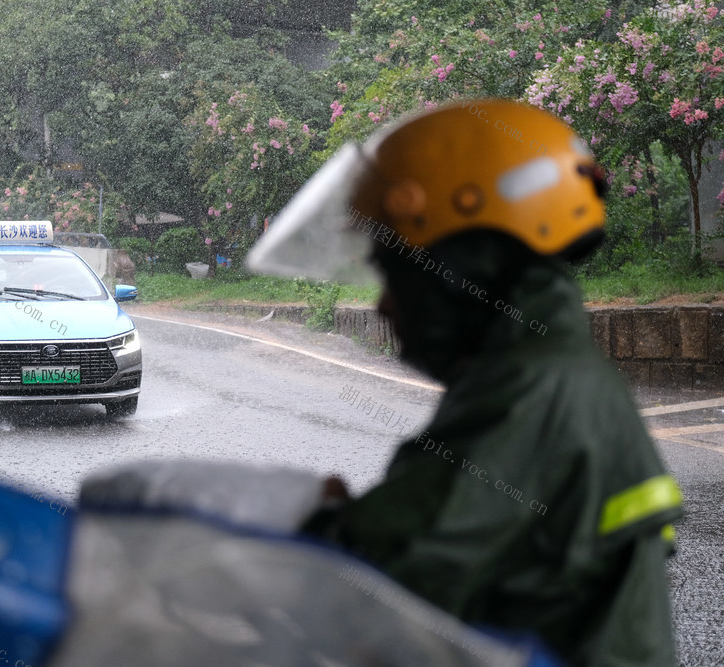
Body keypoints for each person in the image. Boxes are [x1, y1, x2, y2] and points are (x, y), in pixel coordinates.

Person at [246, 99, 683, 666]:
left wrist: (322, 530)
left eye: (395, 270)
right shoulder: (554, 370)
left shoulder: (532, 388)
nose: (382, 305)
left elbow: (389, 573)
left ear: (460, 266)